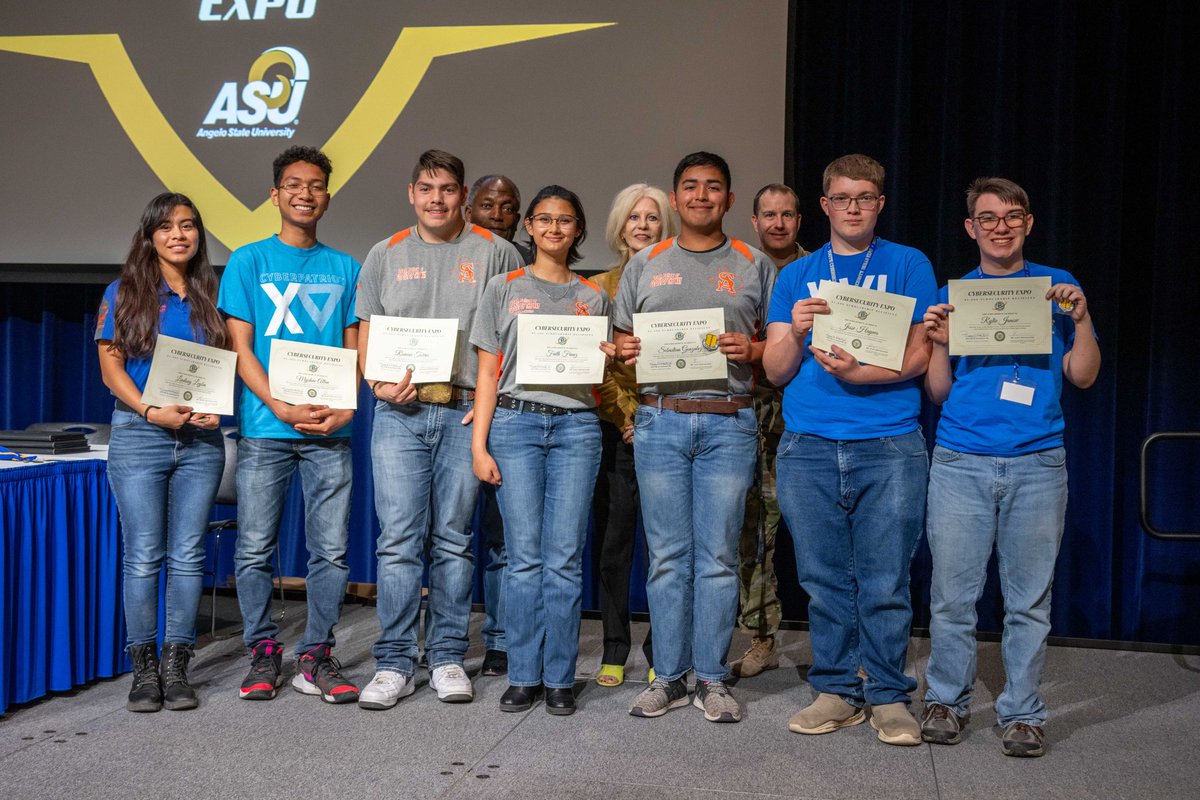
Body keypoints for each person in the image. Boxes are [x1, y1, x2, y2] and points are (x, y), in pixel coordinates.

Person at [920, 178, 1099, 758]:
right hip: (960, 462)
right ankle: (945, 699)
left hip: (1038, 463)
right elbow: (940, 392)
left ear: (1028, 223)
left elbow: (1084, 375)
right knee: (952, 598)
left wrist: (1084, 317)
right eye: (988, 217)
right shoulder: (954, 294)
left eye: (1012, 215)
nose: (1001, 226)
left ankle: (1022, 712)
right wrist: (941, 341)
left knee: (1028, 601)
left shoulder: (1057, 289)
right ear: (971, 227)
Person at [763, 154, 936, 746]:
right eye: (842, 198)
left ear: (879, 204)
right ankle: (837, 688)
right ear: (826, 205)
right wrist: (796, 328)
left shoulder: (908, 263)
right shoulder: (798, 275)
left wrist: (865, 376)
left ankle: (887, 694)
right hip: (808, 444)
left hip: (889, 443)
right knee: (823, 577)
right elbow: (776, 369)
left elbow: (920, 355)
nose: (854, 207)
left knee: (886, 578)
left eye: (865, 197)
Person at [355, 150, 521, 710]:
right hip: (397, 415)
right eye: (426, 188)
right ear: (411, 193)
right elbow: (368, 334)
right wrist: (377, 385)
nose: (436, 199)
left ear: (463, 195)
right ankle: (395, 662)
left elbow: (508, 339)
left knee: (453, 540)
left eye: (447, 189)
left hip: (464, 412)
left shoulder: (497, 252)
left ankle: (448, 655)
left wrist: (489, 403)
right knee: (398, 541)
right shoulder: (384, 253)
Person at [614, 152, 776, 724]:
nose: (701, 196)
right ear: (675, 198)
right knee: (666, 558)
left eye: (713, 187)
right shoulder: (646, 262)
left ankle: (711, 676)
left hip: (729, 421)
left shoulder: (756, 263)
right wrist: (623, 349)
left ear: (729, 200)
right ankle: (669, 677)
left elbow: (778, 349)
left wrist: (754, 350)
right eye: (690, 187)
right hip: (661, 421)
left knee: (717, 557)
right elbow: (619, 342)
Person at [218, 145, 362, 704]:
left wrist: (346, 408)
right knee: (255, 548)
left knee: (330, 553)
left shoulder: (346, 267)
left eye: (317, 185)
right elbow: (241, 348)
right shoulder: (247, 261)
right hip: (265, 428)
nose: (306, 193)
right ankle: (262, 651)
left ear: (327, 196)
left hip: (330, 431)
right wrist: (279, 407)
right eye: (295, 184)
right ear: (276, 194)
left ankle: (317, 655)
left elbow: (353, 349)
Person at [471, 185, 614, 715]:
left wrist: (606, 356)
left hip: (577, 428)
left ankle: (558, 676)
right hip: (515, 427)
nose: (555, 229)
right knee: (523, 560)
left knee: (564, 559)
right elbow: (488, 372)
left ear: (578, 231)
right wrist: (478, 443)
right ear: (529, 227)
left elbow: (598, 375)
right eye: (545, 219)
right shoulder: (502, 289)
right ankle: (523, 673)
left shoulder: (593, 297)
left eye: (566, 221)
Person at [96, 193, 227, 712]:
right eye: (168, 226)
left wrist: (218, 407)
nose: (180, 235)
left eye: (189, 226)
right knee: (145, 555)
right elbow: (112, 371)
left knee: (190, 554)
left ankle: (178, 665)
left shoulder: (211, 294)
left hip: (201, 441)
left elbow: (224, 365)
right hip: (139, 434)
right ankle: (143, 669)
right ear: (149, 235)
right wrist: (152, 413)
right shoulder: (124, 292)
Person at [591, 183, 678, 688]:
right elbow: (595, 366)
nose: (643, 226)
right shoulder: (597, 287)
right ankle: (615, 648)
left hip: (672, 427)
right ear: (619, 227)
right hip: (619, 432)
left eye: (652, 218)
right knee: (616, 546)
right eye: (633, 218)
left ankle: (661, 650)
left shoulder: (677, 281)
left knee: (668, 549)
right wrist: (627, 417)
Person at [730, 183, 810, 678]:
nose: (778, 223)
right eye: (768, 215)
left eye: (787, 214)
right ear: (754, 222)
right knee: (752, 531)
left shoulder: (820, 272)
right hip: (744, 413)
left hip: (804, 417)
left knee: (817, 531)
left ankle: (847, 645)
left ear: (799, 220)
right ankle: (761, 637)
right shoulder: (735, 271)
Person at [465, 173, 528, 676]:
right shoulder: (459, 263)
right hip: (459, 406)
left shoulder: (533, 267)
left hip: (514, 414)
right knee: (456, 537)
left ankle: (505, 641)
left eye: (509, 208)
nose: (499, 215)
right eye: (488, 205)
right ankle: (448, 644)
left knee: (506, 538)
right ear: (469, 209)